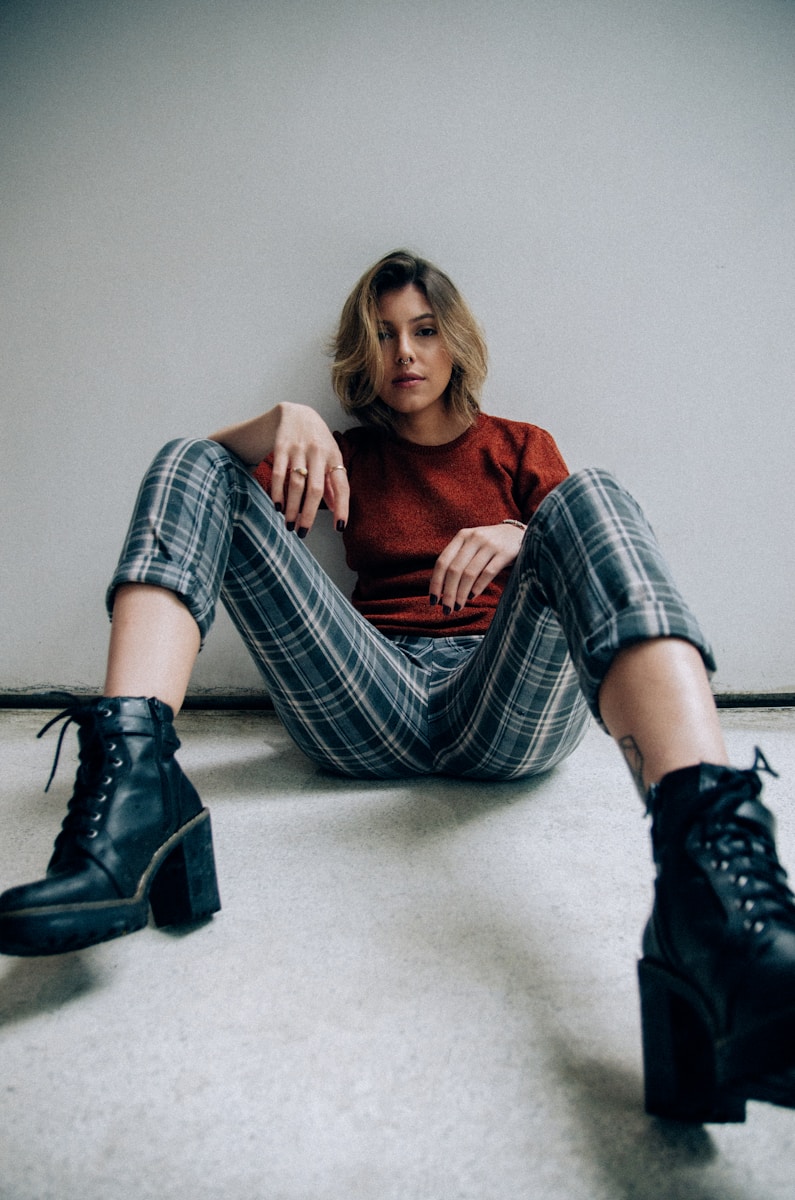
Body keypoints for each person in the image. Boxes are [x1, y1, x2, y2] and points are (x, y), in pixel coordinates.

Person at [1, 249, 794, 1123]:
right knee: (188, 457)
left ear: (455, 342)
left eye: (423, 330)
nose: (405, 353)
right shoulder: (342, 456)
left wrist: (522, 533)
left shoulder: (519, 447)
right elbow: (204, 491)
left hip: (501, 697)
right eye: (382, 336)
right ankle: (133, 787)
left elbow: (588, 565)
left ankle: (715, 886)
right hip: (367, 697)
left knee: (593, 496)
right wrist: (279, 422)